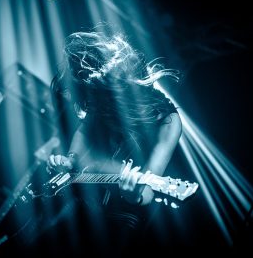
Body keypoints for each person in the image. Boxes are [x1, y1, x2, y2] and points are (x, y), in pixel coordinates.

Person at [46, 30, 183, 253]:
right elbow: (83, 131)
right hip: (83, 203)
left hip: (120, 220)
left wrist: (134, 194)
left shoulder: (167, 121)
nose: (90, 105)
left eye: (92, 99)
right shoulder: (100, 100)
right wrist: (69, 160)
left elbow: (148, 190)